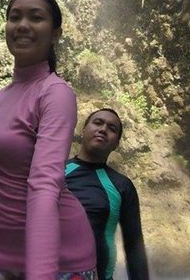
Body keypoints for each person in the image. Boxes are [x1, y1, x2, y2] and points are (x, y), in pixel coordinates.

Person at [0, 0, 97, 280]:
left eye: (36, 17)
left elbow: (45, 185)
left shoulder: (55, 93)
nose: (22, 25)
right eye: (14, 17)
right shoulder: (0, 98)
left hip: (59, 259)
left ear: (55, 33)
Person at [65, 108, 150, 280]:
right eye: (97, 123)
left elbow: (134, 246)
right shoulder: (53, 171)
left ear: (116, 144)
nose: (103, 129)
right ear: (83, 131)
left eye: (112, 128)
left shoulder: (122, 186)